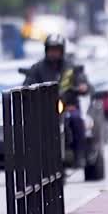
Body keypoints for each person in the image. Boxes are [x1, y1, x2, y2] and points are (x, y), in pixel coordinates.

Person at [22, 34, 89, 166]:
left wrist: (82, 87)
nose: (54, 53)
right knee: (32, 125)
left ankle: (79, 154)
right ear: (46, 50)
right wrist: (28, 90)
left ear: (62, 51)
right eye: (51, 50)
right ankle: (33, 156)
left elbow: (82, 81)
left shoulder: (70, 67)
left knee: (76, 119)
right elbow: (27, 84)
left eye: (57, 50)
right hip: (45, 109)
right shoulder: (37, 68)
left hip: (68, 106)